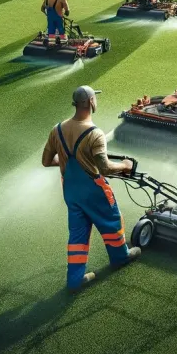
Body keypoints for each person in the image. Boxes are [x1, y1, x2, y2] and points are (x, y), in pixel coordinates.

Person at [43, 86, 141, 291]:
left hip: (70, 190)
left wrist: (64, 162)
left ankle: (75, 280)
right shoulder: (94, 134)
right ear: (89, 102)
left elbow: (46, 161)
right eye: (94, 98)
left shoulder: (57, 129)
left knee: (78, 234)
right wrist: (125, 165)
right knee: (112, 221)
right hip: (94, 191)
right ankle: (120, 257)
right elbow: (104, 168)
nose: (96, 101)